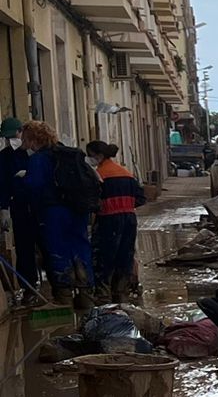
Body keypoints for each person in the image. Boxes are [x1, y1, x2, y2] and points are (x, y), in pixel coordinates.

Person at [18, 120, 95, 311]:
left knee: (58, 250)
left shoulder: (38, 159)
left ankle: (64, 296)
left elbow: (34, 187)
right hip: (78, 209)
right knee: (80, 246)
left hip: (53, 211)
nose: (25, 145)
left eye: (26, 140)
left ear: (33, 139)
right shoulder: (71, 154)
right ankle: (86, 295)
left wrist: (23, 181)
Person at [86, 140, 143, 305]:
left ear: (100, 156)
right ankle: (122, 294)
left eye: (90, 156)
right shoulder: (126, 173)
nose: (89, 159)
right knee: (125, 256)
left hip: (108, 219)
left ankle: (104, 296)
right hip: (129, 220)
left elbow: (93, 201)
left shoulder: (99, 176)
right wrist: (125, 205)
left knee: (104, 257)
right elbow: (141, 198)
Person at [1, 116, 40, 305]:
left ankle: (61, 289)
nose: (13, 141)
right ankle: (29, 288)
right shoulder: (4, 157)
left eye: (15, 136)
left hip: (41, 207)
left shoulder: (36, 154)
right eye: (8, 138)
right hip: (19, 207)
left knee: (47, 247)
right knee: (24, 249)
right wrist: (4, 209)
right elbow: (2, 184)